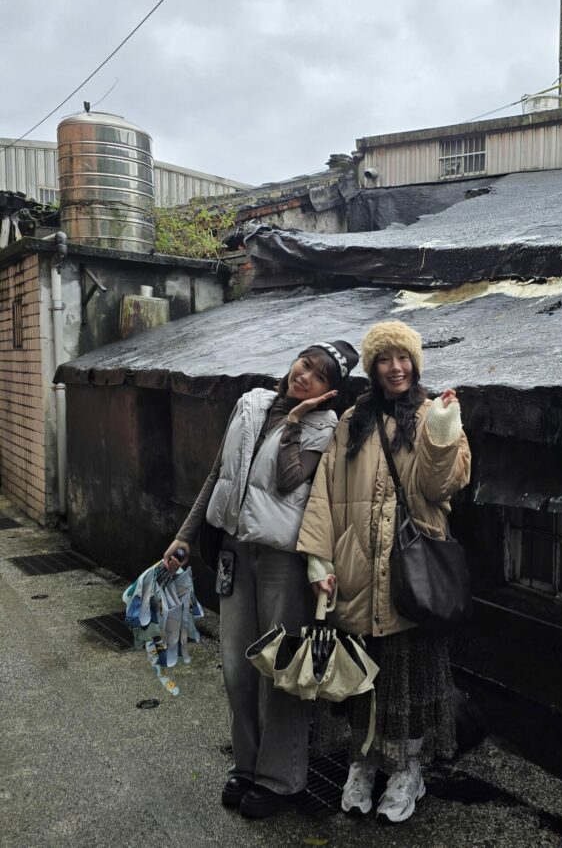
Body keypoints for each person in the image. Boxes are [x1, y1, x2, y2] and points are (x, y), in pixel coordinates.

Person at [162, 340, 359, 819]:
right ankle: (247, 765)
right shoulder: (249, 402)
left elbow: (292, 479)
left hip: (281, 560)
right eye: (304, 363)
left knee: (281, 670)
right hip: (233, 549)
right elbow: (218, 476)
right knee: (236, 666)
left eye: (319, 374)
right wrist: (184, 539)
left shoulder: (326, 427)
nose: (304, 375)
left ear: (330, 391)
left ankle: (281, 777)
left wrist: (294, 424)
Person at [297, 320, 471, 824]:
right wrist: (319, 558)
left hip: (409, 580)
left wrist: (440, 432)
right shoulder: (352, 420)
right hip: (355, 574)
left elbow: (443, 487)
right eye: (384, 359)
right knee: (360, 684)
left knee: (408, 683)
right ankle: (363, 762)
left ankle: (407, 770)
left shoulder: (434, 414)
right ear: (371, 367)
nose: (395, 368)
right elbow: (324, 493)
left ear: (415, 363)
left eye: (404, 358)